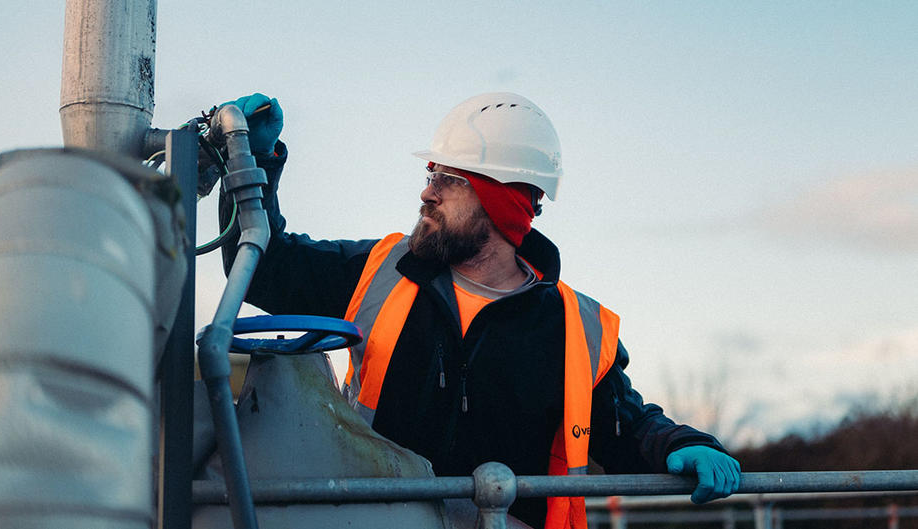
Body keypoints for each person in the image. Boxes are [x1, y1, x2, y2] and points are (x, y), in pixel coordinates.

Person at [214, 92, 741, 528]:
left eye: (448, 179)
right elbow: (263, 265)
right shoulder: (381, 270)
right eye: (430, 173)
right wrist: (252, 163)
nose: (426, 193)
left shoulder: (575, 326)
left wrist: (682, 443)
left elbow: (623, 426)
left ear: (500, 200)